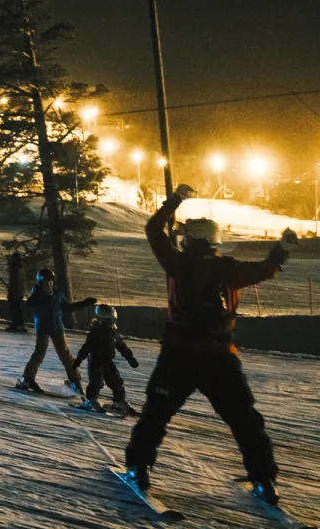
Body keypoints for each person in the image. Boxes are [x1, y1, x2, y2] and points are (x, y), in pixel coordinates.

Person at [125, 184, 298, 504]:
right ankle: (264, 479)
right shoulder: (228, 268)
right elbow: (264, 269)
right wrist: (282, 250)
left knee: (156, 414)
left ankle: (138, 466)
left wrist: (175, 200)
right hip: (220, 356)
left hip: (178, 354)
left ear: (189, 238)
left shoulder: (176, 264)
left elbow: (152, 229)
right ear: (215, 239)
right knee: (244, 419)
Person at [14, 269, 96, 395]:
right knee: (38, 355)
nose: (50, 284)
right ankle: (27, 379)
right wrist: (22, 302)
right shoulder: (36, 295)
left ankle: (75, 381)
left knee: (66, 356)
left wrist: (84, 303)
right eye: (47, 282)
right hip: (42, 329)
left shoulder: (58, 295)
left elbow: (68, 308)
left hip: (57, 328)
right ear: (41, 283)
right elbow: (27, 306)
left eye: (51, 281)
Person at [73, 304, 139, 414]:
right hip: (95, 361)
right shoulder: (95, 332)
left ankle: (119, 400)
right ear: (102, 321)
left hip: (108, 361)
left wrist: (130, 358)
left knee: (116, 381)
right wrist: (79, 359)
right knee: (96, 382)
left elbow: (122, 346)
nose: (112, 323)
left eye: (113, 321)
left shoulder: (113, 333)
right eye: (110, 321)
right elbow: (87, 346)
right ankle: (91, 400)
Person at [5, 251, 27, 332]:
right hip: (17, 291)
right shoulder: (19, 267)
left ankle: (17, 324)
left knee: (14, 308)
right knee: (16, 308)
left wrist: (13, 289)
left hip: (15, 291)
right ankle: (18, 324)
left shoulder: (16, 268)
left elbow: (15, 280)